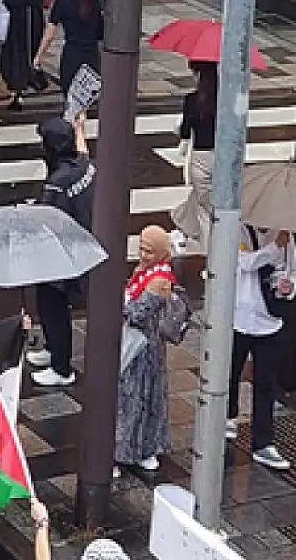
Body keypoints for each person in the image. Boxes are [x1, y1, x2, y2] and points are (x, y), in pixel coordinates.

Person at [28, 113, 94, 388]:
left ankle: (61, 367)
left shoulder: (59, 180)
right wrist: (80, 127)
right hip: (79, 242)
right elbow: (84, 151)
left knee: (52, 303)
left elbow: (48, 216)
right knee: (51, 303)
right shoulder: (82, 165)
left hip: (60, 252)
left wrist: (29, 212)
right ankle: (52, 348)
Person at [230, 227, 293, 469]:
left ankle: (263, 442)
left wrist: (287, 286)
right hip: (239, 318)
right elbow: (245, 263)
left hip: (269, 320)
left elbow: (289, 270)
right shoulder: (239, 231)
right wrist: (274, 247)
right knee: (230, 374)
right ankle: (228, 417)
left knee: (265, 384)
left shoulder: (285, 236)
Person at [117, 226, 176, 472]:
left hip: (145, 348)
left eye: (149, 251)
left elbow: (137, 313)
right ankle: (139, 450)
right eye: (141, 248)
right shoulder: (146, 272)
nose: (142, 255)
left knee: (135, 399)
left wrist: (118, 300)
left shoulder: (159, 280)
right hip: (140, 345)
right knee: (137, 399)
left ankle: (136, 451)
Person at [170, 61, 219, 247]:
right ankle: (185, 226)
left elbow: (184, 131)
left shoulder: (192, 100)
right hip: (223, 157)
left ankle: (209, 255)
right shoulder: (226, 99)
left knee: (204, 209)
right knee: (212, 201)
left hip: (201, 158)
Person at [36, 0, 104, 94]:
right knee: (86, 97)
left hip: (72, 54)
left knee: (72, 95)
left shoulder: (63, 3)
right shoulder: (97, 0)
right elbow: (101, 31)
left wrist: (38, 56)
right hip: (92, 55)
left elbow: (49, 35)